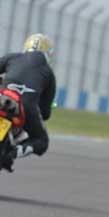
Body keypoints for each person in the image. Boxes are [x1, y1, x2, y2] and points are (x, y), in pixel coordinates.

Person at [0, 34, 56, 171]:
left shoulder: (12, 57)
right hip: (26, 108)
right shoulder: (48, 73)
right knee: (42, 141)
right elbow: (45, 113)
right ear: (48, 53)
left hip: (3, 97)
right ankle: (12, 154)